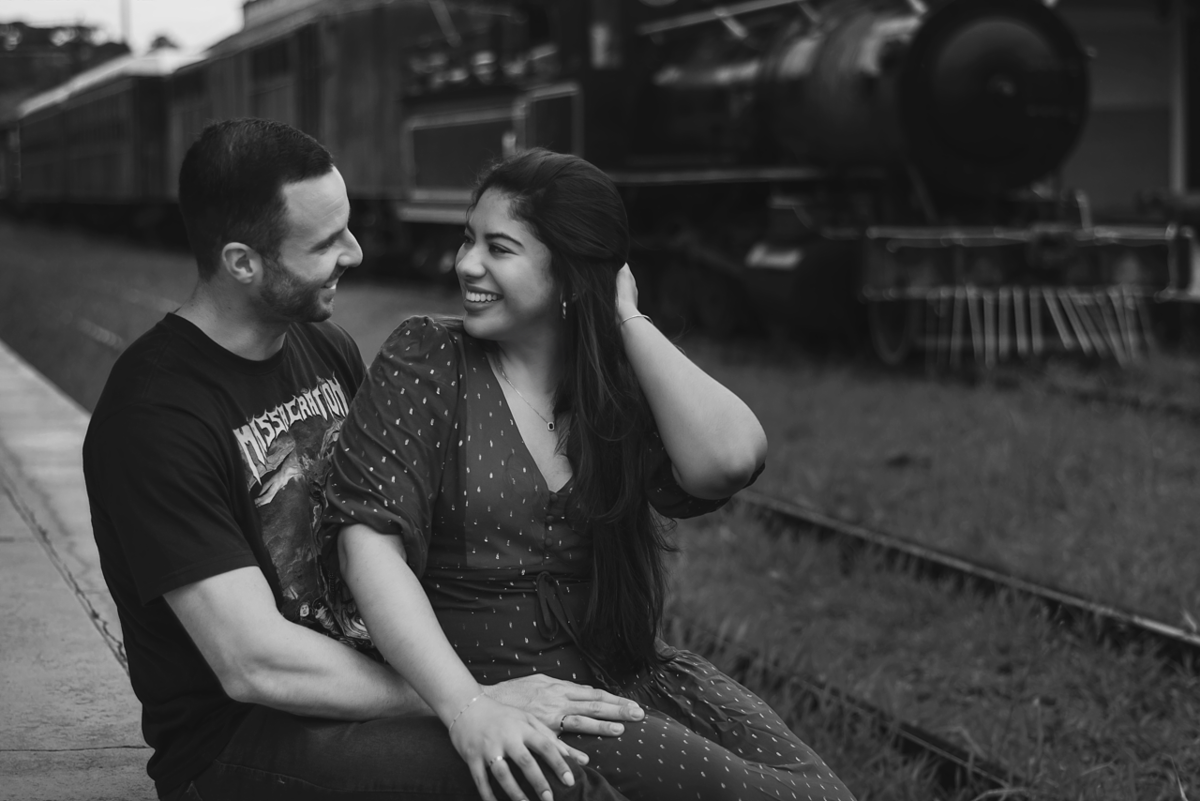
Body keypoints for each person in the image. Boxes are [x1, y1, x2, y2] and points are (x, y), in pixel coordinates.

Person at [82, 120, 643, 801]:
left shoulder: (325, 349)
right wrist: (466, 699)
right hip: (245, 743)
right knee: (548, 779)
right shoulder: (154, 416)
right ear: (242, 262)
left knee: (589, 751)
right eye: (325, 242)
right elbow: (252, 663)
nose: (356, 249)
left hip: (366, 690)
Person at [322, 148, 857, 801]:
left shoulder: (609, 388)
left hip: (621, 670)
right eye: (468, 240)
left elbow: (731, 459)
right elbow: (367, 547)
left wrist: (627, 319)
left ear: (572, 276)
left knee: (821, 788)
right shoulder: (430, 358)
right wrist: (466, 706)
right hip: (514, 687)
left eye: (500, 247)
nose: (465, 264)